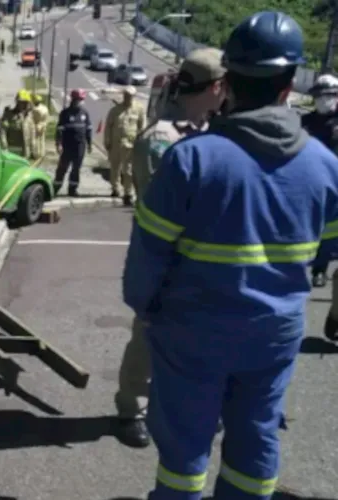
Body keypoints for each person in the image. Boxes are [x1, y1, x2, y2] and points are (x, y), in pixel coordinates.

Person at [123, 11, 338, 500]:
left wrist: (147, 309)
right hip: (275, 333)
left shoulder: (192, 159)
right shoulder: (326, 166)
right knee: (256, 436)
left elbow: (147, 258)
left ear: (231, 83)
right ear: (290, 86)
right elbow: (328, 246)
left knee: (184, 450)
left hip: (193, 331)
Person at [114, 47, 227, 450]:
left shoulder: (209, 131)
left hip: (200, 258)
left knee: (197, 338)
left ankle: (181, 406)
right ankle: (133, 410)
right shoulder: (163, 138)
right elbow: (162, 207)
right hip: (164, 257)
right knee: (149, 335)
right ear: (215, 87)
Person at [303, 74, 338, 288]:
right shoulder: (306, 122)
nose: (323, 100)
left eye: (329, 95)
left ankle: (320, 270)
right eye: (319, 96)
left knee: (330, 231)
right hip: (310, 180)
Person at [104, 86, 146, 206]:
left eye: (130, 96)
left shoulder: (139, 109)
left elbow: (142, 127)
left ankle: (128, 193)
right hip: (116, 143)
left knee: (128, 171)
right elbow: (108, 127)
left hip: (130, 145)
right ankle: (115, 189)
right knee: (115, 168)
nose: (128, 98)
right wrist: (107, 141)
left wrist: (140, 142)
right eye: (126, 96)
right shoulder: (115, 110)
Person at [53, 89, 92, 196]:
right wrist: (59, 144)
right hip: (67, 146)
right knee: (62, 168)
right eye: (77, 99)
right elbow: (59, 130)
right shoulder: (65, 113)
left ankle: (72, 189)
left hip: (80, 146)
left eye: (81, 100)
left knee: (76, 169)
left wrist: (89, 144)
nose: (79, 102)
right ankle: (55, 188)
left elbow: (88, 129)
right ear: (72, 99)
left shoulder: (85, 113)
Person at [31, 95, 50, 159]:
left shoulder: (35, 109)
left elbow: (33, 118)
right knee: (42, 139)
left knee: (36, 140)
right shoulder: (45, 108)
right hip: (43, 124)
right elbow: (47, 117)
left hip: (36, 124)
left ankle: (36, 154)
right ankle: (42, 153)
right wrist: (45, 124)